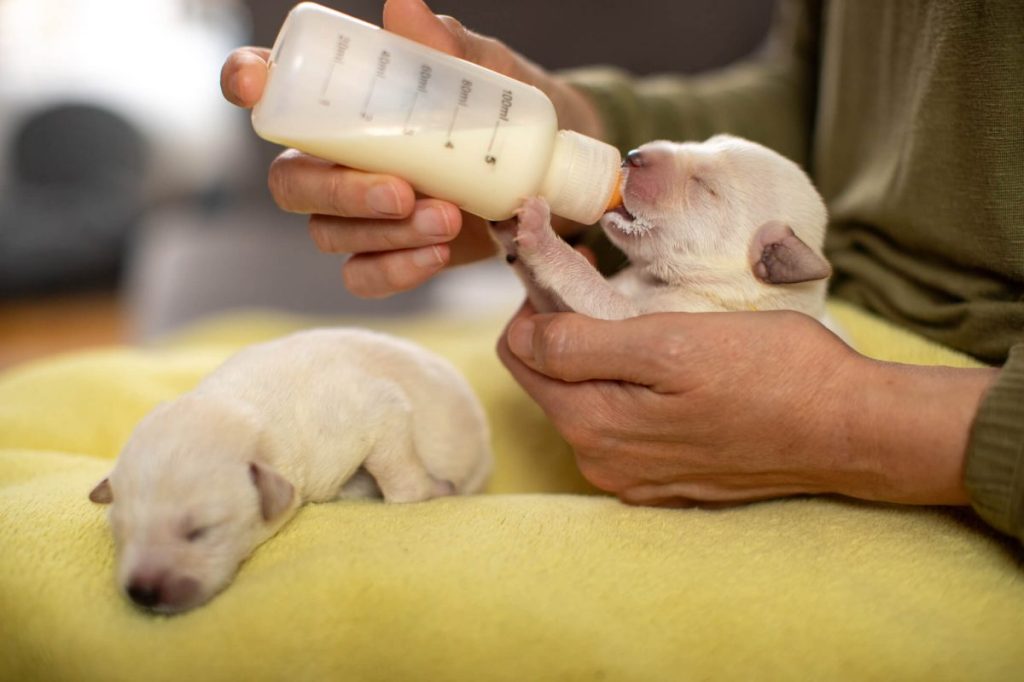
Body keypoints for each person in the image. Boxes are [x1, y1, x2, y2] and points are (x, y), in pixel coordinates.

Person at [221, 0, 1023, 542]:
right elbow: (819, 98)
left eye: (701, 183)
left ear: (771, 265)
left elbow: (607, 316)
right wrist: (579, 123)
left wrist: (865, 423)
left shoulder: (745, 298)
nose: (657, 163)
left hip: (947, 497)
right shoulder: (725, 262)